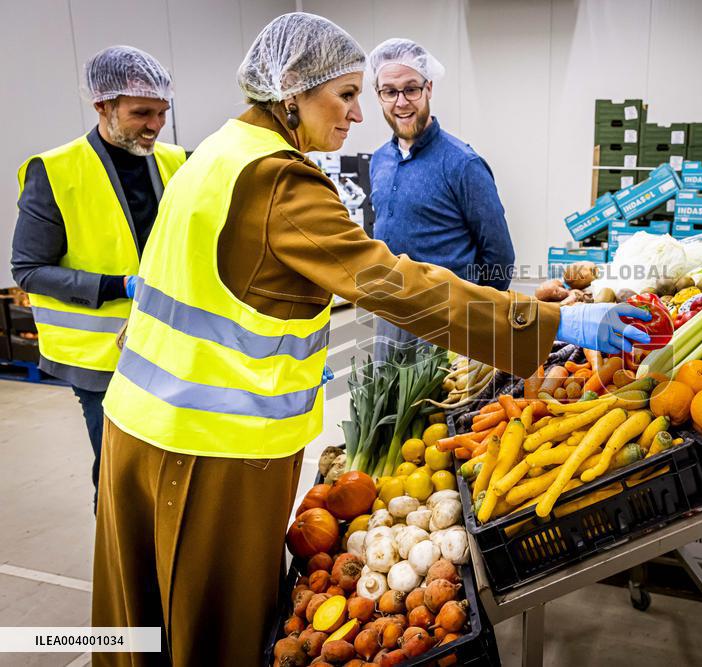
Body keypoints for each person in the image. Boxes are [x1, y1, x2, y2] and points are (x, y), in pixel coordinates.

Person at [92, 13, 649, 665]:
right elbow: (393, 281)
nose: (362, 113)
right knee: (215, 636)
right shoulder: (278, 178)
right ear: (292, 91)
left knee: (138, 631)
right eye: (349, 93)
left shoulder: (214, 154)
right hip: (205, 450)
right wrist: (550, 324)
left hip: (137, 428)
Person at [10, 46, 185, 511]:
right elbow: (27, 269)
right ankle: (121, 572)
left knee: (171, 468)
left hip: (171, 348)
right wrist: (117, 285)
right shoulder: (56, 171)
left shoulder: (175, 163)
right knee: (118, 474)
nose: (155, 125)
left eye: (162, 113)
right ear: (103, 106)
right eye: (141, 113)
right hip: (100, 359)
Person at [367, 38, 516, 360]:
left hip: (446, 318)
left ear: (429, 88)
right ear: (378, 96)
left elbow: (499, 255)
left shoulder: (462, 164)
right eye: (389, 92)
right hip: (389, 311)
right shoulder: (379, 160)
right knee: (387, 404)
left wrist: (479, 319)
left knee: (438, 406)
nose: (401, 102)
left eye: (411, 89)